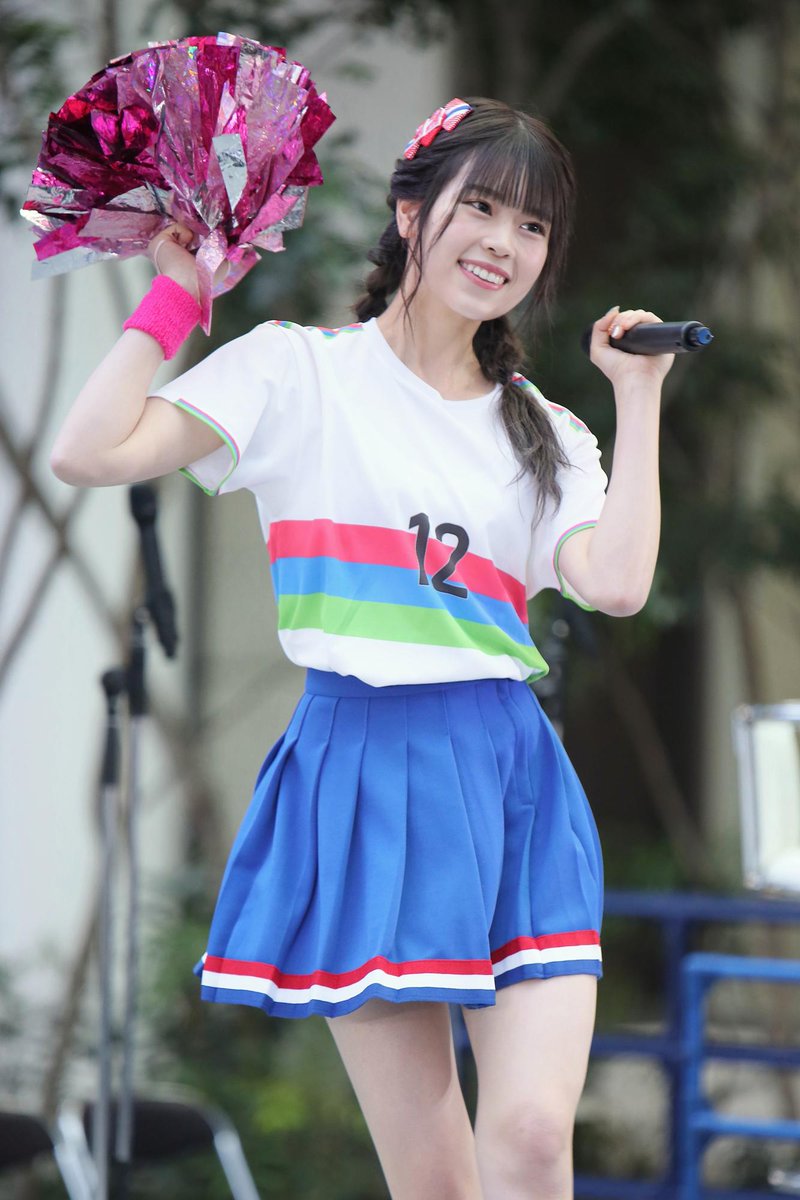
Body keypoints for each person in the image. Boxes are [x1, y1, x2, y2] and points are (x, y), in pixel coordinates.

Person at [51, 97, 672, 1200]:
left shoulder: (544, 429)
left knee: (533, 1137)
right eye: (480, 208)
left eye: (532, 226)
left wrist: (638, 398)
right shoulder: (296, 372)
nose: (503, 243)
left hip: (508, 772)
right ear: (409, 211)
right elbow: (88, 452)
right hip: (363, 771)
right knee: (436, 1184)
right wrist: (176, 296)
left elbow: (618, 586)